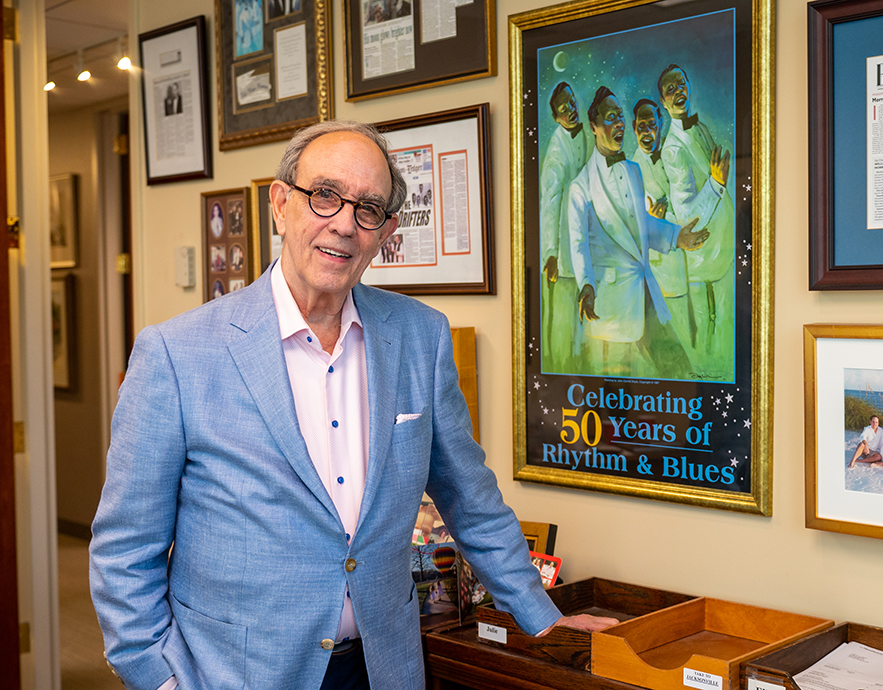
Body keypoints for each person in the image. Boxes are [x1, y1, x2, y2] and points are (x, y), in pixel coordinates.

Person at [90, 120, 615, 690]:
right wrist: (160, 681)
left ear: (386, 231)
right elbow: (124, 551)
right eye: (325, 196)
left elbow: (471, 500)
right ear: (281, 203)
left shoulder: (421, 338)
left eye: (368, 209)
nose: (343, 223)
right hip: (233, 675)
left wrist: (547, 619)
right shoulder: (176, 354)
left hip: (380, 669)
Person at [565, 87, 710, 379]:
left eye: (620, 116)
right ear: (593, 127)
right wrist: (586, 285)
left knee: (680, 374)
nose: (619, 123)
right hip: (611, 306)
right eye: (610, 117)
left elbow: (638, 224)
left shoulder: (632, 170)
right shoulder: (580, 187)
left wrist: (675, 237)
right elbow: (578, 243)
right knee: (616, 400)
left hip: (646, 292)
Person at [657, 64, 735, 379]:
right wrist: (717, 183)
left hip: (722, 249)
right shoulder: (672, 149)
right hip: (703, 257)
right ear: (663, 101)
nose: (678, 92)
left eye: (681, 84)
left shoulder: (699, 126)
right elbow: (688, 213)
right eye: (670, 90)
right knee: (706, 328)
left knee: (722, 328)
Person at [630, 98, 693, 368]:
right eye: (641, 126)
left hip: (684, 264)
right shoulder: (631, 169)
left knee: (689, 338)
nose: (647, 132)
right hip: (658, 268)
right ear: (634, 128)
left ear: (660, 124)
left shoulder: (673, 151)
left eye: (652, 125)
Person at [539, 82, 592, 372]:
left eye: (571, 103)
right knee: (561, 323)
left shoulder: (587, 135)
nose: (570, 110)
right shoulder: (557, 149)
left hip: (585, 243)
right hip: (563, 250)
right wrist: (550, 252)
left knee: (583, 327)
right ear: (556, 117)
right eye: (563, 109)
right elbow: (550, 201)